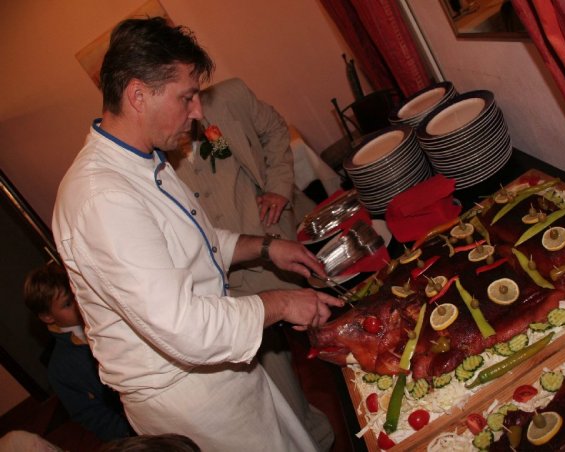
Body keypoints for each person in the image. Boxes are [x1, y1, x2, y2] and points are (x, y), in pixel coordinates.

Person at [52, 16, 342, 451]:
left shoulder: (145, 160)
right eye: (186, 97)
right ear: (138, 95)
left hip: (217, 365)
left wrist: (267, 248)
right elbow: (184, 327)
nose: (198, 111)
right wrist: (282, 302)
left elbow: (201, 244)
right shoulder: (102, 198)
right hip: (189, 393)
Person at [168, 79, 334, 448]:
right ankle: (315, 439)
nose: (194, 107)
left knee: (330, 324)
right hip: (227, 279)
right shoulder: (147, 152)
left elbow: (275, 130)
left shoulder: (229, 97)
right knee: (272, 376)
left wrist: (277, 186)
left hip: (277, 244)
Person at [23, 262, 132, 442]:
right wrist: (128, 433)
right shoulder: (60, 369)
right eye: (67, 303)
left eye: (77, 294)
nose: (78, 304)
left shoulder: (106, 318)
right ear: (48, 317)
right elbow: (90, 415)